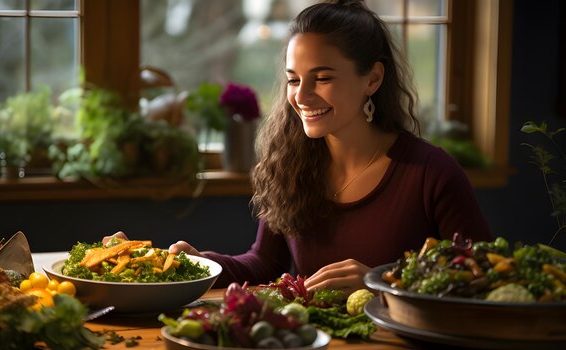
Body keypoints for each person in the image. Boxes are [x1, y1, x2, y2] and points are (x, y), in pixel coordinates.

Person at [168, 0, 493, 296]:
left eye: (322, 78)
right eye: (294, 80)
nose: (302, 96)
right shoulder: (290, 164)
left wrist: (383, 285)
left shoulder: (433, 173)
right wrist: (200, 264)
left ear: (372, 79)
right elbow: (265, 264)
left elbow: (482, 281)